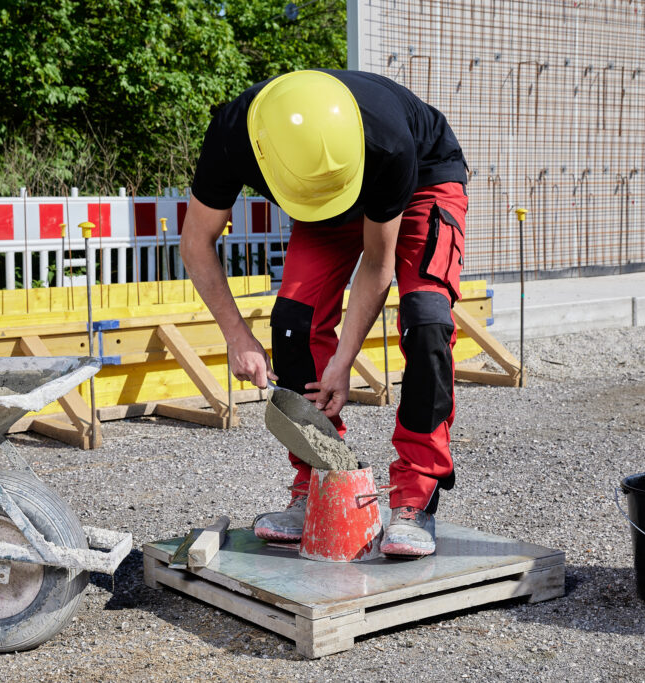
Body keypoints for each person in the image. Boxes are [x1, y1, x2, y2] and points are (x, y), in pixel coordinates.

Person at [180, 69, 468, 557]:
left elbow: (378, 263)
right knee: (293, 322)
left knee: (427, 320)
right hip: (323, 195)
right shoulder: (233, 134)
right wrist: (237, 337)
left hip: (420, 180)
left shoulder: (388, 143)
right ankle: (320, 476)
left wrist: (343, 361)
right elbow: (195, 242)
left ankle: (415, 496)